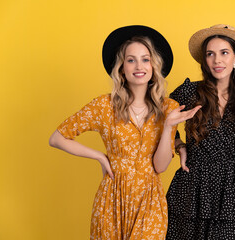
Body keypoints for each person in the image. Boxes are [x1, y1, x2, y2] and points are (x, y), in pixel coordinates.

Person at [49, 25, 200, 240]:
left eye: (145, 59)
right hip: (112, 200)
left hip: (150, 202)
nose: (139, 66)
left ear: (154, 66)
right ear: (121, 68)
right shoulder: (104, 106)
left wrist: (167, 127)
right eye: (131, 60)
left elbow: (160, 166)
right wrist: (100, 156)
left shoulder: (168, 108)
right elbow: (57, 138)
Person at [165, 24, 235, 240]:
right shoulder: (190, 91)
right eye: (210, 54)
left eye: (224, 53)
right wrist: (179, 145)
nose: (217, 60)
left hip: (230, 190)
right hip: (191, 187)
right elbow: (158, 118)